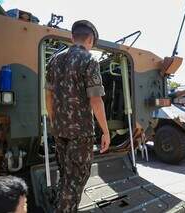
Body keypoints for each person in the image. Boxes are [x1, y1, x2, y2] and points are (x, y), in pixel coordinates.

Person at [45, 20, 110, 212]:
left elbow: (48, 95)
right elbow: (96, 101)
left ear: (73, 38)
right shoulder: (90, 60)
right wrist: (105, 132)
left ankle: (61, 205)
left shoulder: (54, 60)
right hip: (80, 133)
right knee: (76, 179)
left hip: (60, 129)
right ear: (89, 39)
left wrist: (53, 120)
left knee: (65, 175)